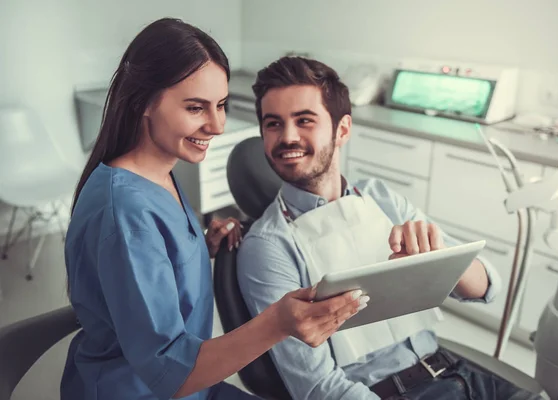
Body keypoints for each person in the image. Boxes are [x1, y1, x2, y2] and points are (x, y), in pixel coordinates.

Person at [61, 19, 368, 400]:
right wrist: (278, 322)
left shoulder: (158, 176)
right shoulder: (125, 212)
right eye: (196, 108)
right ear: (143, 102)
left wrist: (192, 249)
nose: (217, 125)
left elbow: (144, 262)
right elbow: (169, 374)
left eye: (220, 105)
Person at [237, 56, 543, 400]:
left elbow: (487, 286)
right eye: (273, 124)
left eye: (304, 120)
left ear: (342, 130)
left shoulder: (380, 198)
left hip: (454, 372)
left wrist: (439, 257)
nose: (287, 137)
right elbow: (317, 387)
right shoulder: (268, 246)